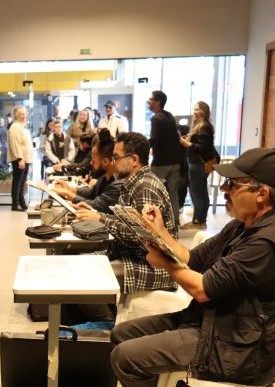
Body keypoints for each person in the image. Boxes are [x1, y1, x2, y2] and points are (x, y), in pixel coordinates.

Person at [111, 148, 275, 387]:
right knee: (121, 334)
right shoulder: (242, 227)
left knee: (125, 357)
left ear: (261, 194)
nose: (224, 190)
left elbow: (202, 288)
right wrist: (159, 232)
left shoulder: (268, 242)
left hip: (235, 344)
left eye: (232, 185)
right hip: (211, 322)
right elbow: (193, 259)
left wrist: (164, 263)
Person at [75, 132, 178, 322]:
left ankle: (109, 327)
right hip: (133, 258)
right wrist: (98, 215)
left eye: (116, 157)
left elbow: (141, 237)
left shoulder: (145, 187)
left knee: (84, 275)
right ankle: (104, 322)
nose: (113, 163)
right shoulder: (135, 183)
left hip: (150, 266)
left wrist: (101, 219)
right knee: (81, 264)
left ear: (134, 160)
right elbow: (126, 223)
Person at [53, 129, 122, 214]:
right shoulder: (104, 178)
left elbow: (95, 205)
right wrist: (70, 189)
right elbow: (91, 193)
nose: (90, 163)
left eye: (93, 160)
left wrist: (66, 193)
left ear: (105, 162)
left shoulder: (117, 185)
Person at [148, 90, 186, 227]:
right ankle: (175, 222)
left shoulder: (156, 118)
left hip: (161, 163)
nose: (148, 101)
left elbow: (155, 140)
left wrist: (142, 145)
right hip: (175, 161)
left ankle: (153, 221)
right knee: (173, 193)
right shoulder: (169, 116)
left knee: (152, 191)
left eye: (151, 99)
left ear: (158, 102)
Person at [179, 101, 217, 229]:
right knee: (197, 192)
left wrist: (189, 144)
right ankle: (198, 220)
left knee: (199, 193)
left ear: (204, 111)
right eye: (194, 109)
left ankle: (199, 221)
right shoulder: (198, 125)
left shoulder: (204, 126)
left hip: (199, 164)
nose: (195, 112)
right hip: (194, 163)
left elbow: (205, 147)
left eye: (197, 109)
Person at [7, 106, 32, 211]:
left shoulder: (22, 127)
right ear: (16, 115)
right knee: (17, 182)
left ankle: (22, 202)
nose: (24, 116)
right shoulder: (15, 127)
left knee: (22, 182)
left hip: (25, 159)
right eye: (22, 114)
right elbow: (15, 144)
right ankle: (15, 204)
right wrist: (19, 159)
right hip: (20, 159)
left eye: (25, 113)